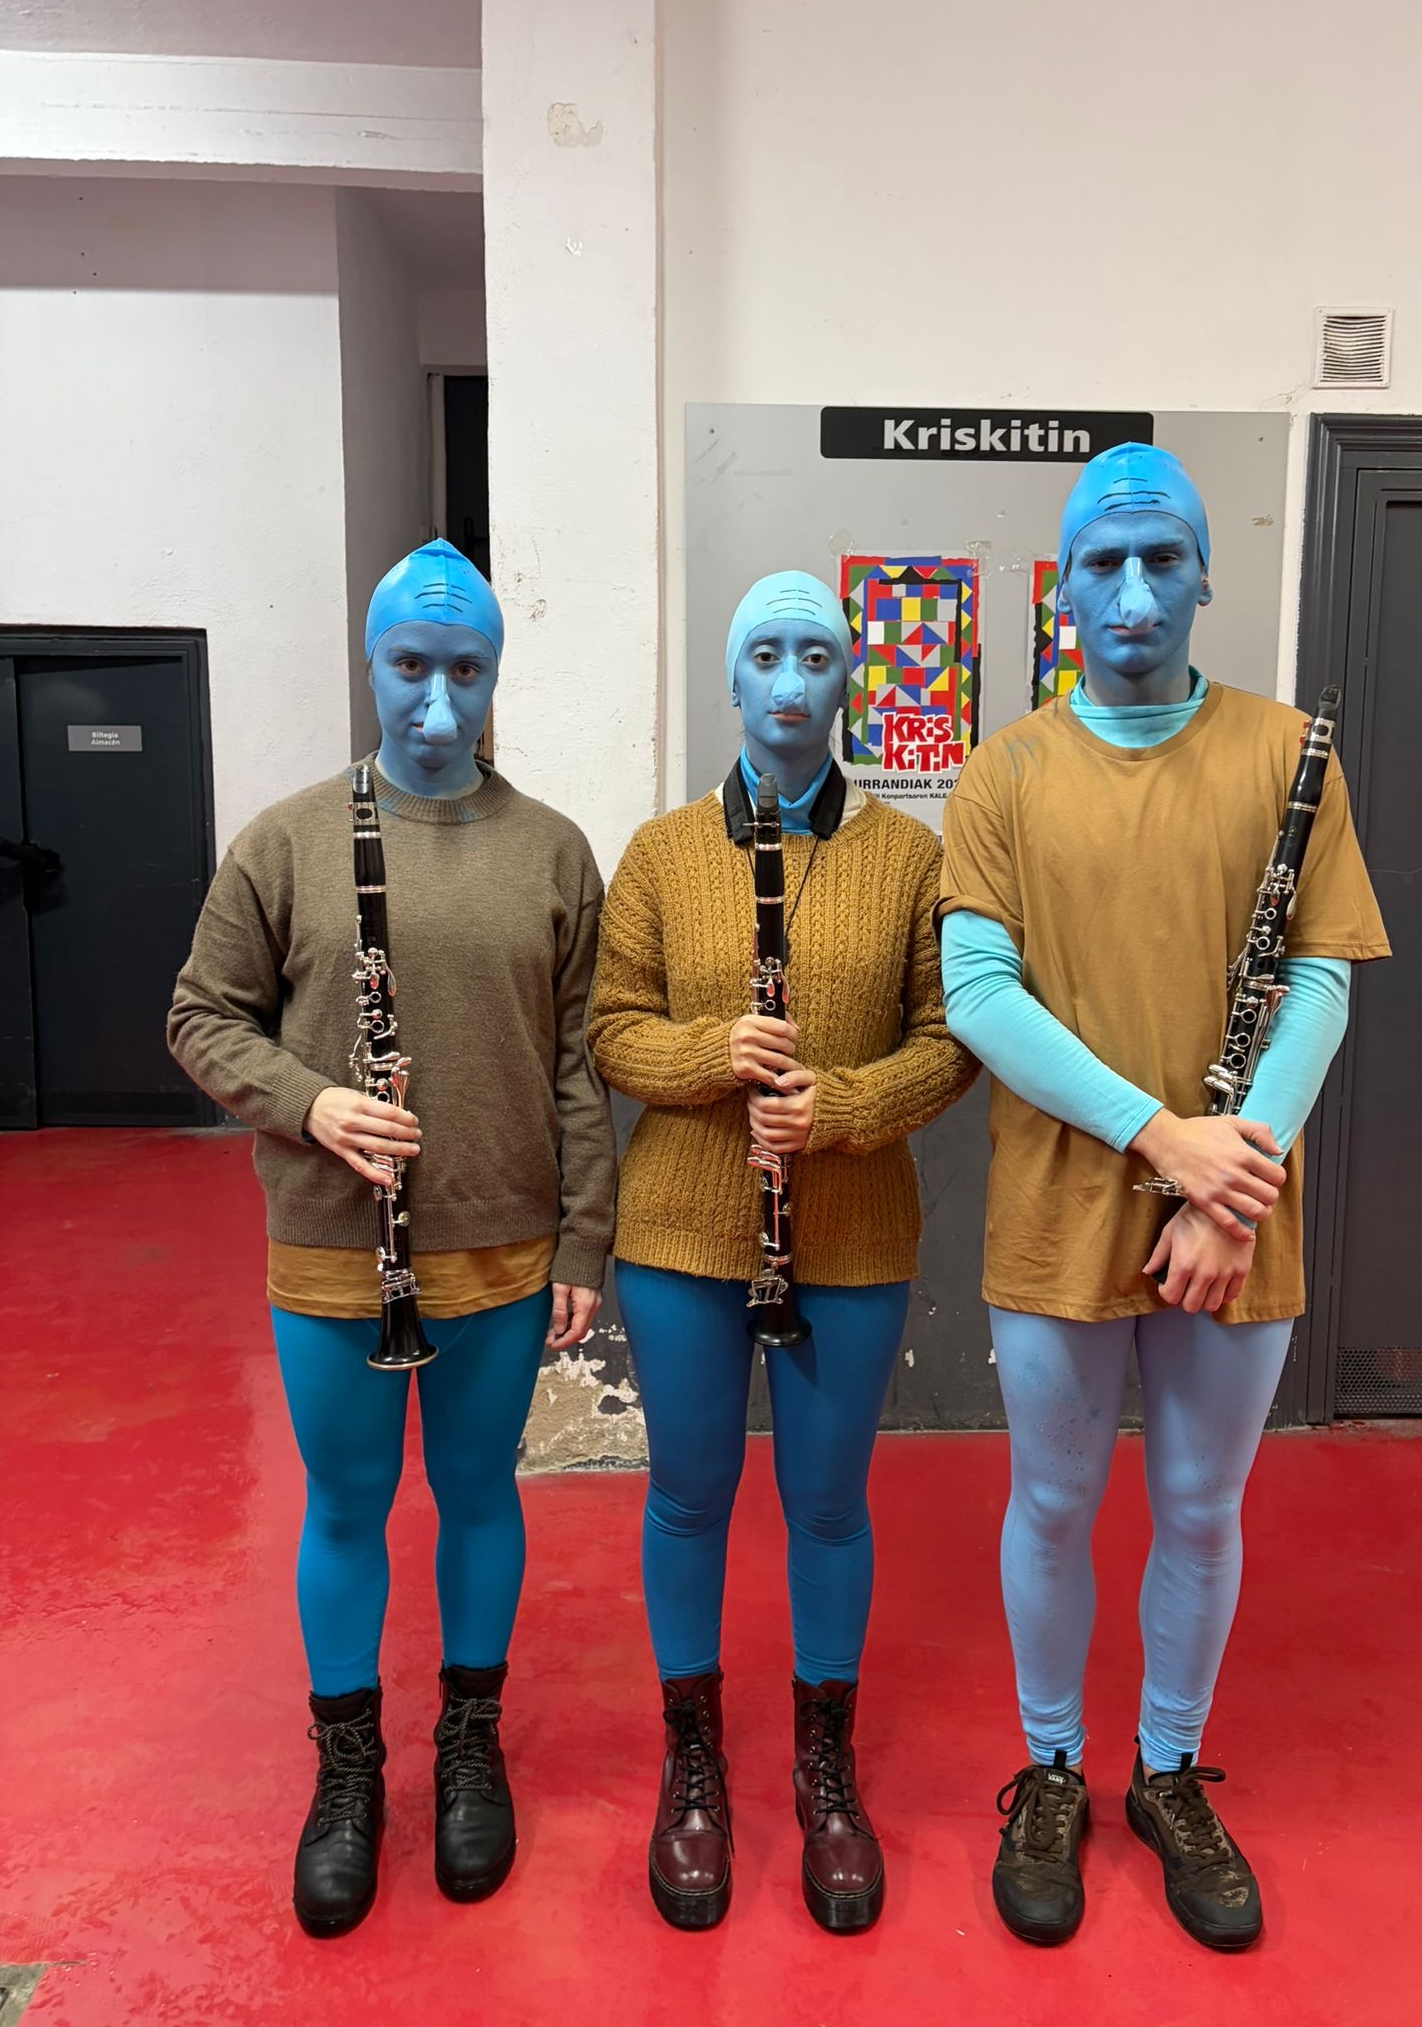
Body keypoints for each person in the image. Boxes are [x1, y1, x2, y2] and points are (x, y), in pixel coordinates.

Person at [937, 447, 1390, 1951]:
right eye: (1102, 563)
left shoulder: (1288, 751)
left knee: (1200, 1506)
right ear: (1062, 586)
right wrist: (1164, 1142)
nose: (1133, 593)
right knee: (1054, 1500)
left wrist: (1225, 1179)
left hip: (1236, 1212)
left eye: (1163, 559)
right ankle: (1055, 1766)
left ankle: (1170, 1770)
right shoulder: (1004, 771)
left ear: (1205, 572)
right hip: (1063, 1198)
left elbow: (1318, 982)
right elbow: (978, 994)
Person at [168, 539, 615, 1938]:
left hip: (500, 1245)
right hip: (331, 1244)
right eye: (410, 667)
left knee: (480, 1494)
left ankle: (470, 1740)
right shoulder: (287, 839)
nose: (437, 702)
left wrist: (584, 1242)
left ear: (495, 674)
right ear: (370, 664)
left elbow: (576, 1064)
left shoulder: (552, 849)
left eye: (466, 671)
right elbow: (200, 1017)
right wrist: (311, 1103)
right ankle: (347, 1767)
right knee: (347, 1504)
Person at [588, 570, 977, 1933]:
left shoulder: (911, 858)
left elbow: (950, 1040)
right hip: (684, 1229)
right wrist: (716, 1053)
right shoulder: (659, 855)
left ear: (848, 677)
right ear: (733, 679)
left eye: (817, 654)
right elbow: (612, 1028)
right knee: (689, 1494)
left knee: (827, 1502)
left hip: (852, 1231)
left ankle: (825, 1765)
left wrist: (844, 1106)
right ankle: (692, 1759)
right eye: (767, 654)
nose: (792, 681)